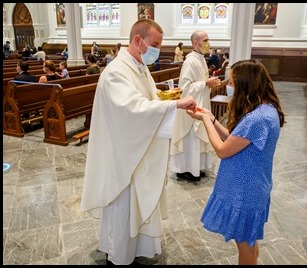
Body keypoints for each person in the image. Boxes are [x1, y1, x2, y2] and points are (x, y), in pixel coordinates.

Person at [79, 19, 197, 266]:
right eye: (154, 44)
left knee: (139, 203)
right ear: (137, 40)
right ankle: (120, 255)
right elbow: (132, 109)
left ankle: (138, 249)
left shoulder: (139, 66)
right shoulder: (116, 72)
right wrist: (173, 105)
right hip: (124, 155)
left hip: (138, 150)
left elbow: (149, 100)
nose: (156, 50)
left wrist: (167, 101)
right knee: (125, 206)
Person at [186, 59, 285, 265]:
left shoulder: (256, 119)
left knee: (245, 246)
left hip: (245, 190)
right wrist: (212, 118)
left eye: (232, 82)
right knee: (249, 241)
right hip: (253, 184)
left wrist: (205, 121)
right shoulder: (267, 109)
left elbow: (222, 150)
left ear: (245, 85)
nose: (228, 86)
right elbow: (233, 139)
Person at [170, 30, 221, 182]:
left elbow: (200, 83)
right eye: (205, 40)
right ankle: (186, 170)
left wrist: (209, 84)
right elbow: (185, 88)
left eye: (208, 39)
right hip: (191, 107)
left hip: (201, 103)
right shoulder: (190, 61)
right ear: (195, 43)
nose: (208, 43)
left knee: (198, 139)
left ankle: (196, 168)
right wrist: (205, 83)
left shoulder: (201, 59)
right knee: (191, 138)